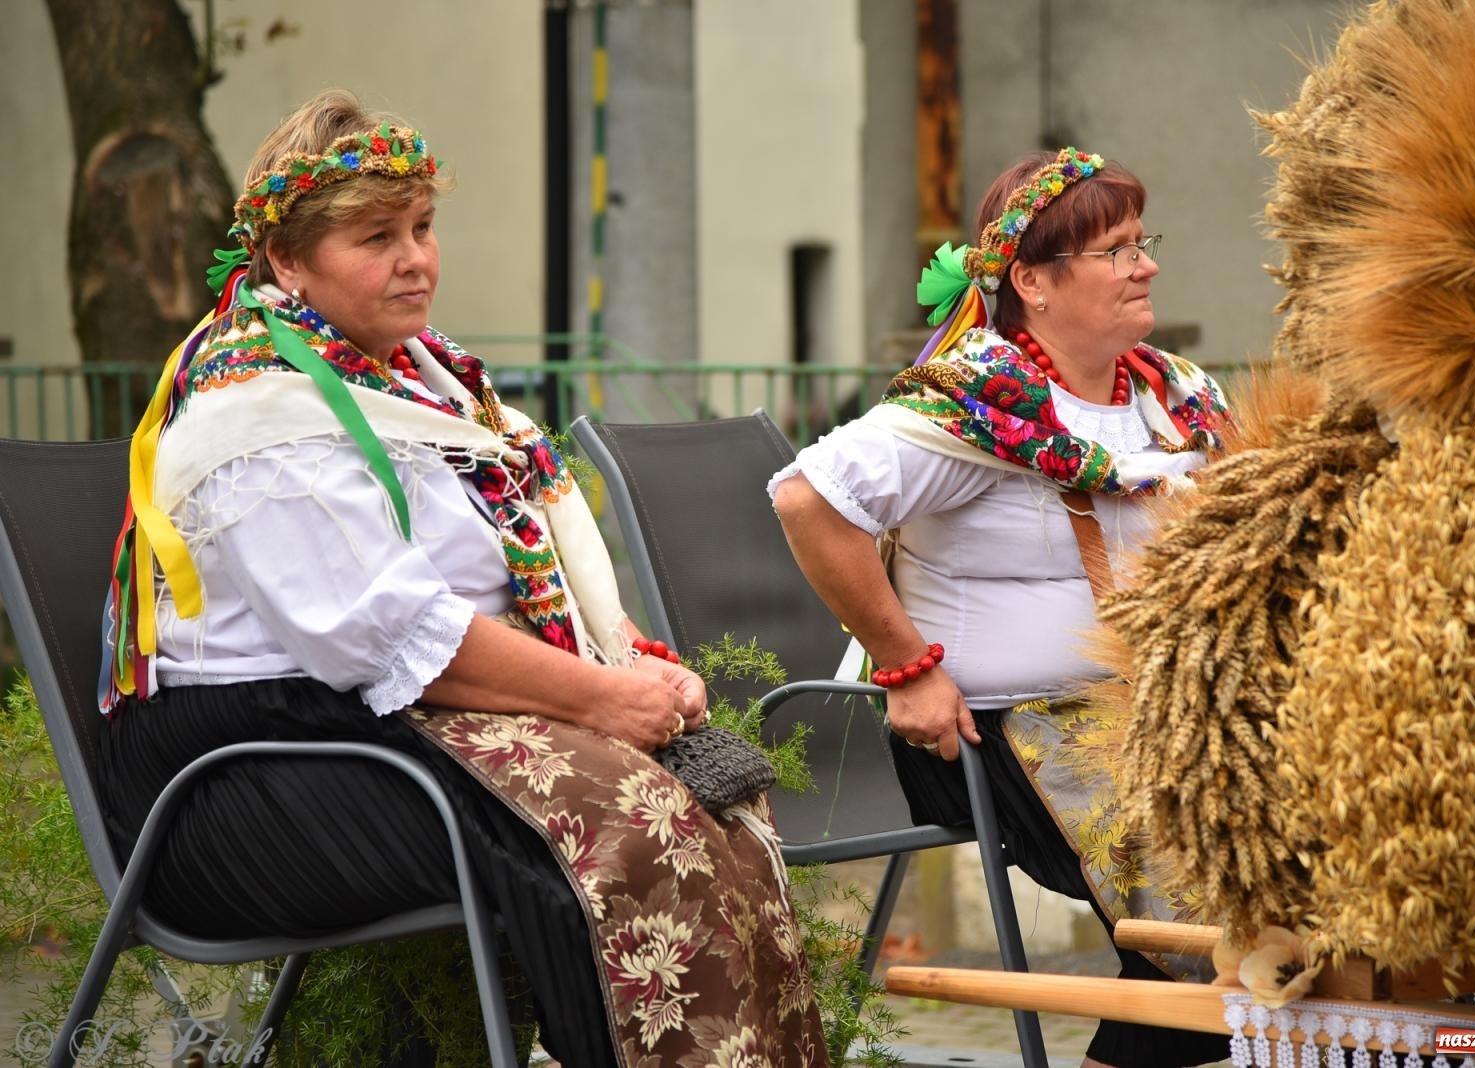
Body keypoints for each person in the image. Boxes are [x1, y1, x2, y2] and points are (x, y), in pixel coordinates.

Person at [96, 89, 826, 1067]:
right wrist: (605, 701)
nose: (414, 258)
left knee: (713, 796)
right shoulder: (260, 421)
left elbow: (492, 609)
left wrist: (634, 672)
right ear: (285, 259)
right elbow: (393, 632)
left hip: (382, 728)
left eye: (423, 227)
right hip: (254, 773)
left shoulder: (428, 389)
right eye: (375, 236)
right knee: (630, 822)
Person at [770, 148, 1231, 1068]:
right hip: (990, 737)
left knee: (1276, 853)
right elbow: (805, 500)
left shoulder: (1173, 400)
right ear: (1032, 281)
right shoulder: (975, 405)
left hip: (1149, 718)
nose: (1147, 266)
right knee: (1216, 878)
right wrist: (906, 667)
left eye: (1144, 243)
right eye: (1118, 251)